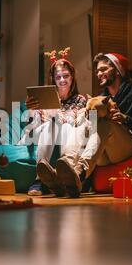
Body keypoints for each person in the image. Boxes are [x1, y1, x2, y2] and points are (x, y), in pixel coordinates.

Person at [37, 52, 132, 197]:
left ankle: (79, 174)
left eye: (103, 69)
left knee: (105, 122)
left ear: (117, 70)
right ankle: (66, 170)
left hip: (129, 146)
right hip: (104, 153)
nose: (99, 73)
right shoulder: (99, 99)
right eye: (97, 71)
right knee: (85, 114)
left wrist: (126, 119)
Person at [24, 48, 87, 196]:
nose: (62, 80)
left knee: (64, 125)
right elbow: (33, 126)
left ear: (72, 78)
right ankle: (39, 180)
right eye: (58, 77)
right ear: (53, 79)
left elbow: (77, 125)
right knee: (53, 123)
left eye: (66, 76)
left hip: (68, 136)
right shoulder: (45, 97)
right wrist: (31, 110)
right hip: (44, 134)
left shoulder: (80, 100)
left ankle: (66, 173)